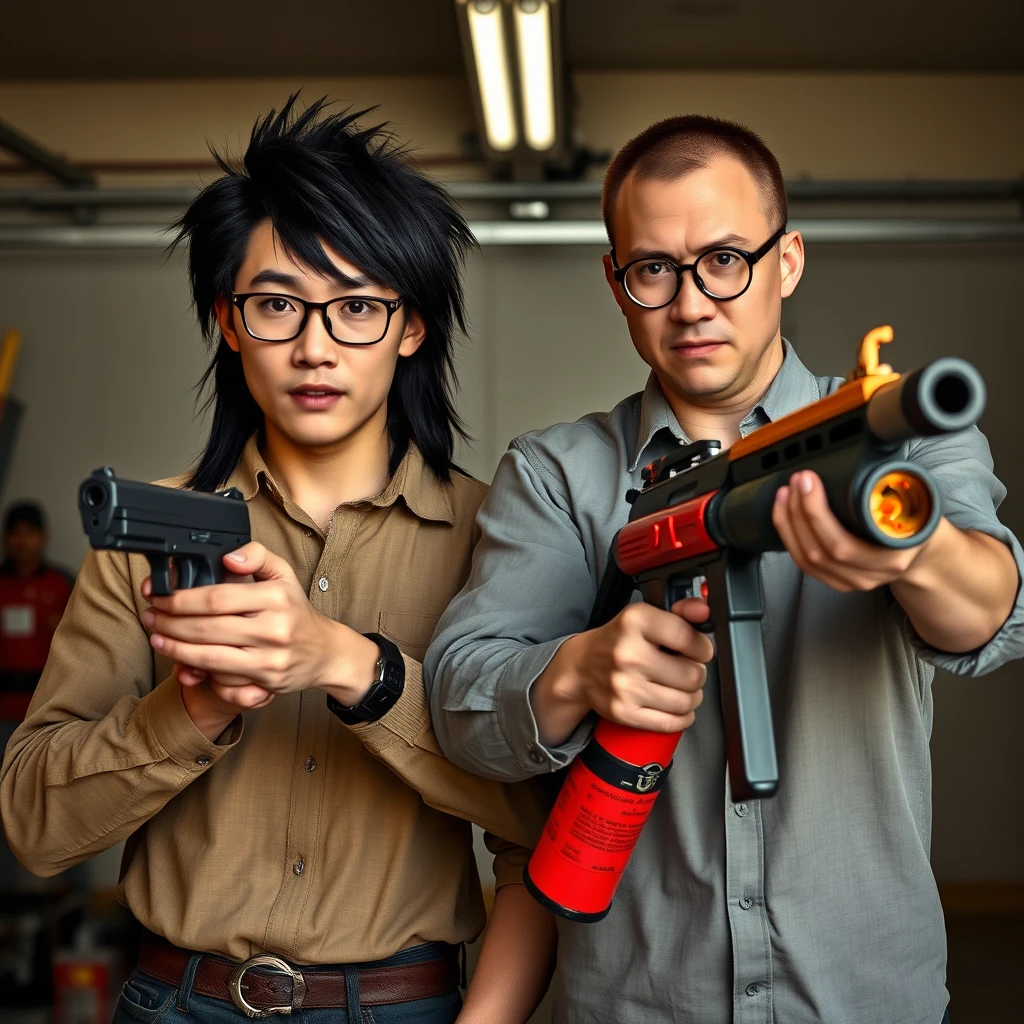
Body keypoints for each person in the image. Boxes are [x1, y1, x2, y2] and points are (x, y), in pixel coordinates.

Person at [425, 115, 1024, 1024]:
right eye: (654, 269)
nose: (693, 303)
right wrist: (581, 669)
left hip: (863, 996)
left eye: (725, 259)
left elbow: (990, 613)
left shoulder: (905, 433)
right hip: (638, 1001)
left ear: (786, 261)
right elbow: (462, 702)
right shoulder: (559, 472)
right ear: (616, 283)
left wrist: (914, 548)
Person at [1, 98, 554, 1024]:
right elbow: (34, 829)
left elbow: (544, 820)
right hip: (174, 1001)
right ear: (227, 318)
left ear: (411, 326)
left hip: (402, 1006)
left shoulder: (500, 534)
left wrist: (352, 668)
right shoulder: (145, 539)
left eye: (358, 308)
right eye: (277, 304)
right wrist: (193, 708)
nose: (314, 345)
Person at [0, 502, 73, 723]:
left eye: (30, 533)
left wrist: (65, 625)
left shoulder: (62, 583)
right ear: (6, 537)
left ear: (43, 537)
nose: (22, 541)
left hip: (46, 702)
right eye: (15, 533)